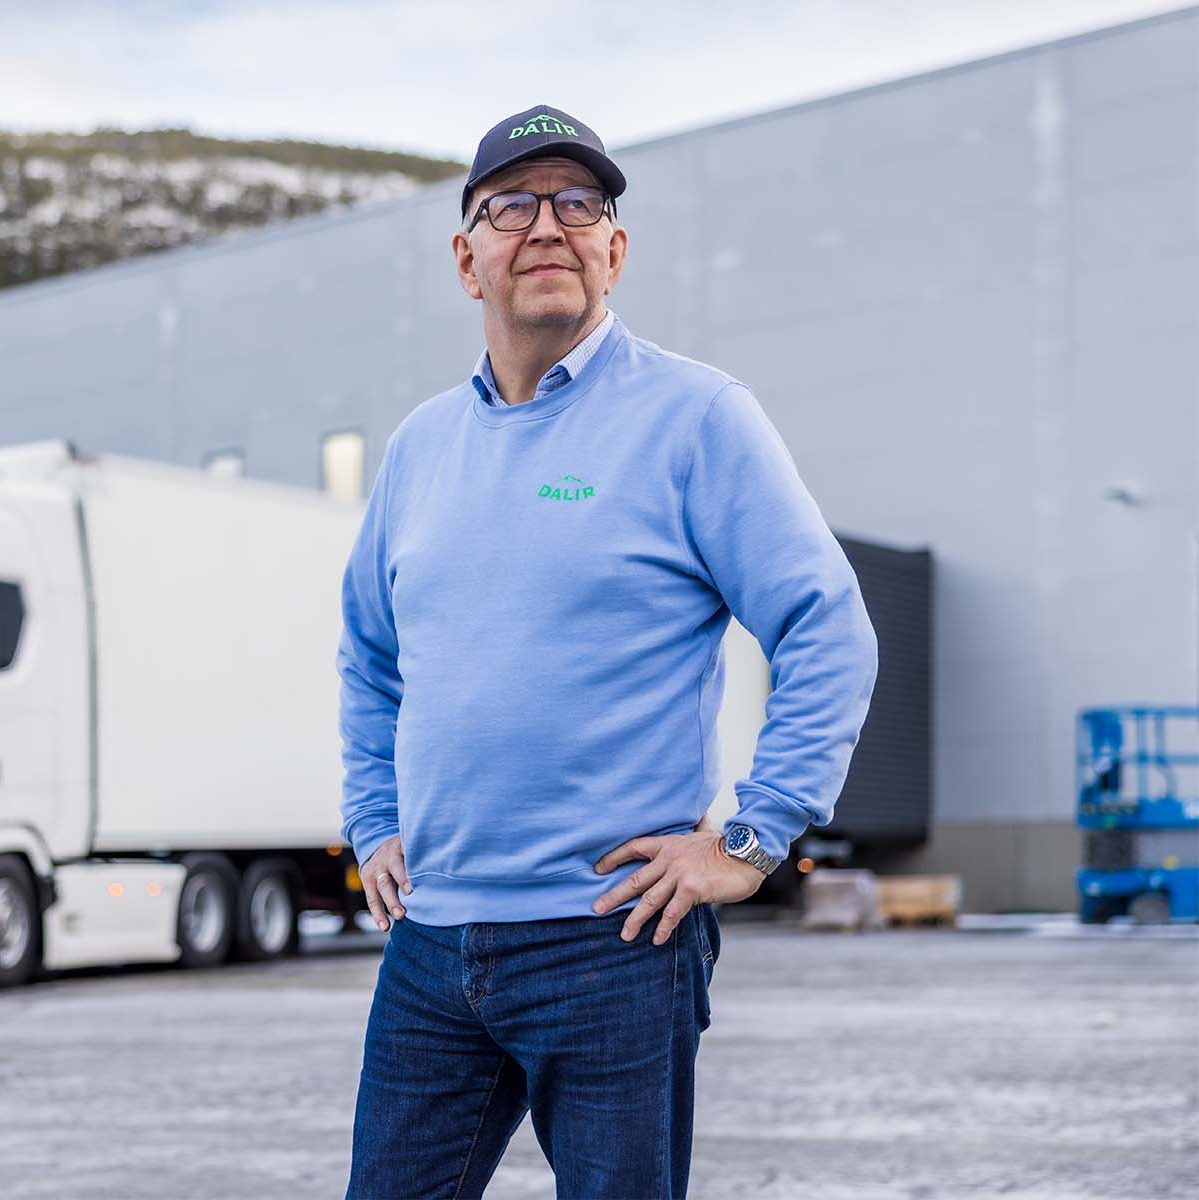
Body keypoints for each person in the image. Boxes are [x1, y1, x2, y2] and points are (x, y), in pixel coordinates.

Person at [336, 104, 880, 1198]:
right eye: (513, 206)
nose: (549, 225)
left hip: (611, 940)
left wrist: (754, 839)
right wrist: (373, 814)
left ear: (613, 249)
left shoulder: (696, 418)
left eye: (579, 203)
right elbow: (369, 654)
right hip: (433, 943)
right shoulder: (421, 446)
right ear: (467, 258)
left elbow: (827, 625)